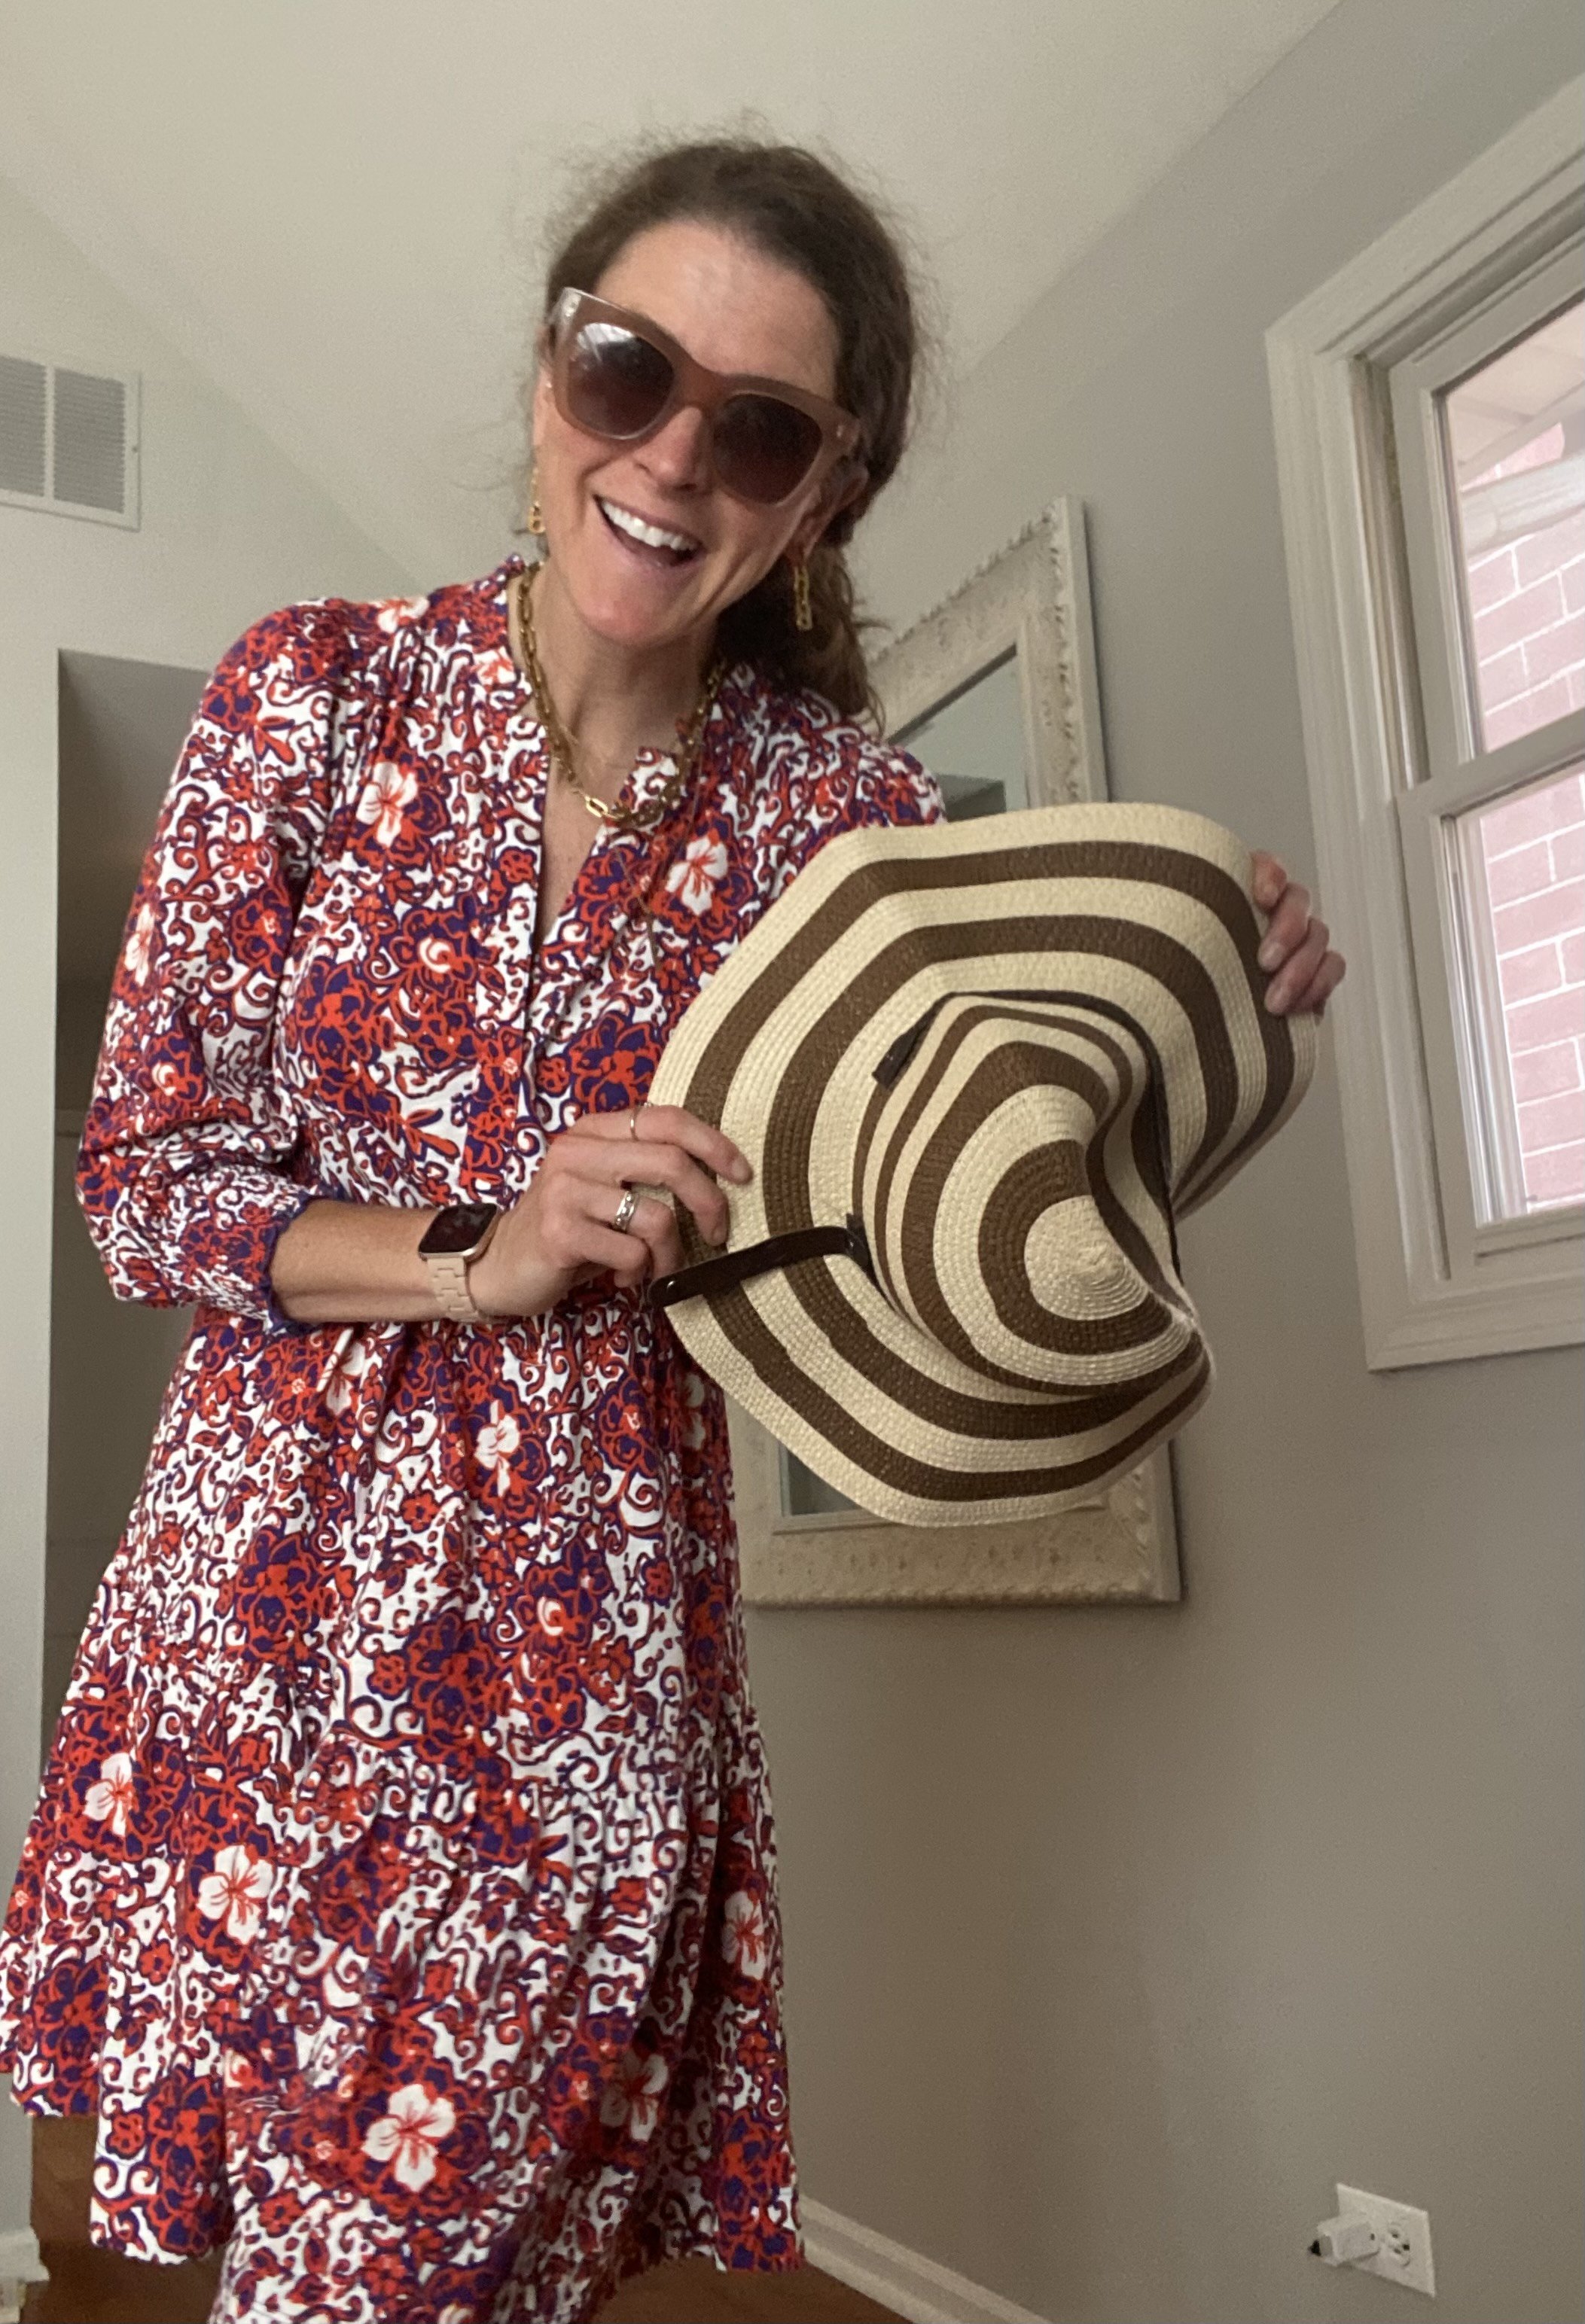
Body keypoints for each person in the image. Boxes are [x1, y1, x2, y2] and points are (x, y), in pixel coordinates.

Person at [0, 138, 1344, 2324]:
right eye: (627, 370)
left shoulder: (847, 824)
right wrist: (478, 1249)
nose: (672, 456)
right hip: (249, 1610)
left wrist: (1197, 981)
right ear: (552, 370)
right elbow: (150, 1177)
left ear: (827, 493)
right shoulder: (309, 693)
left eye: (761, 428)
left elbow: (965, 1192)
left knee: (444, 2256)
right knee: (228, 2235)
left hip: (581, 1644)